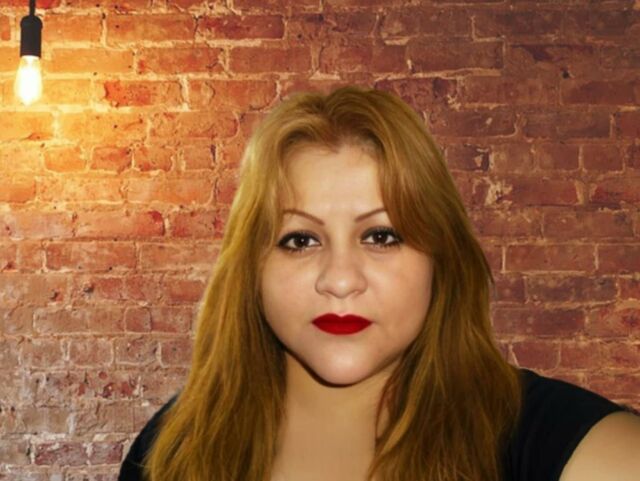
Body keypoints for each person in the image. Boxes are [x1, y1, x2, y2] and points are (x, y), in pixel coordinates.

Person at [118, 86, 640, 481]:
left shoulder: (566, 445)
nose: (340, 281)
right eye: (300, 240)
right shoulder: (168, 451)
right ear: (251, 268)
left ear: (441, 258)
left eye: (382, 236)